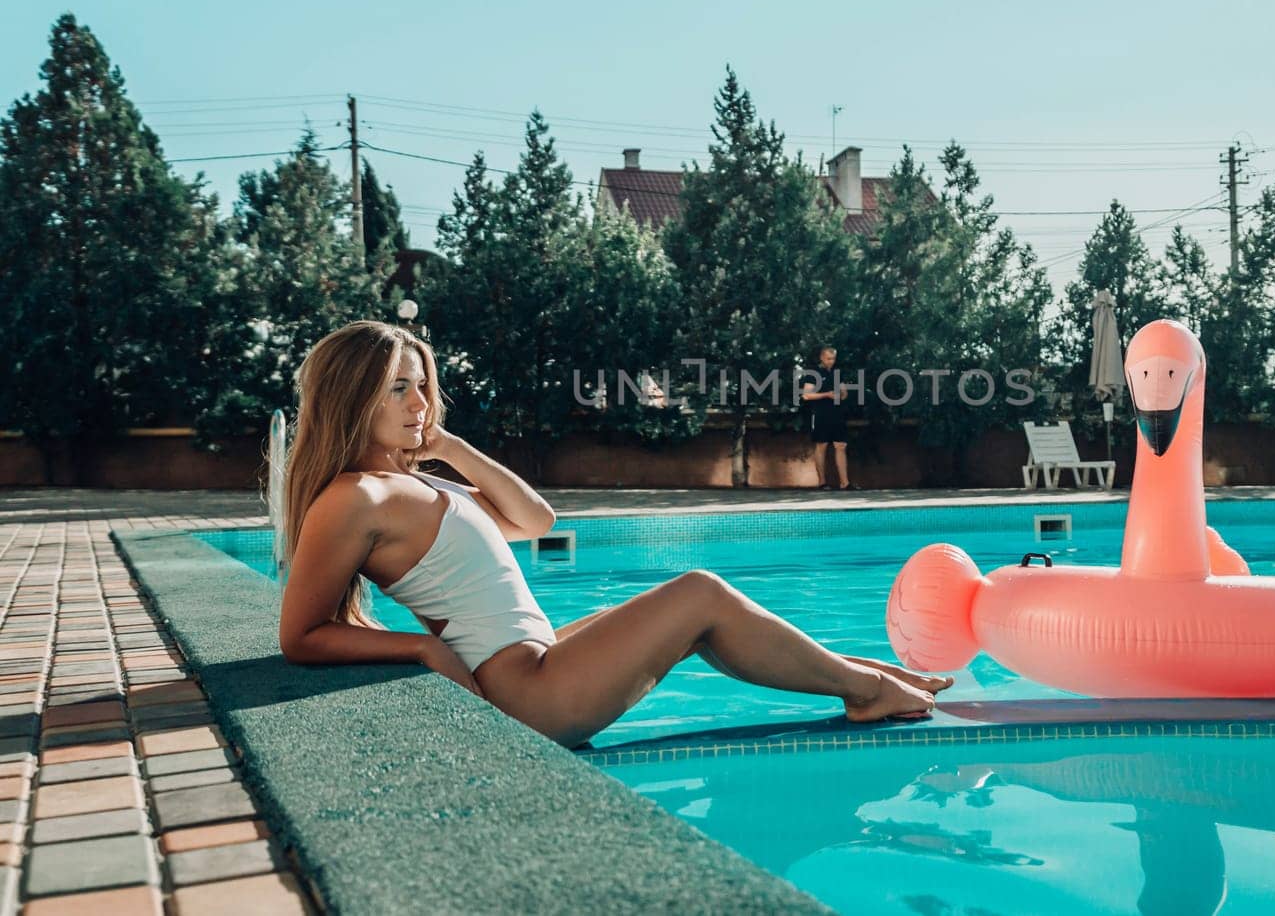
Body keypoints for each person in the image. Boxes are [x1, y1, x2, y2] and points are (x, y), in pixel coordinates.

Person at [277, 321, 949, 749]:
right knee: (699, 594)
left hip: (535, 660)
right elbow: (299, 634)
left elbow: (537, 521)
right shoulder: (354, 496)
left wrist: (451, 446)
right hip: (526, 694)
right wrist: (423, 650)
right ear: (350, 397)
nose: (419, 404)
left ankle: (867, 674)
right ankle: (864, 694)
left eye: (422, 387)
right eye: (398, 390)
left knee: (667, 608)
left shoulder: (418, 482)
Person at [801, 345, 858, 490]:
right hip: (821, 413)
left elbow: (844, 393)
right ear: (821, 357)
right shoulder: (813, 373)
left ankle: (845, 483)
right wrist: (826, 395)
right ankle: (822, 482)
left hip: (837, 414)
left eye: (833, 358)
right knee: (822, 445)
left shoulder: (837, 373)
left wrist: (841, 394)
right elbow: (807, 395)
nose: (830, 361)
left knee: (841, 445)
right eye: (828, 358)